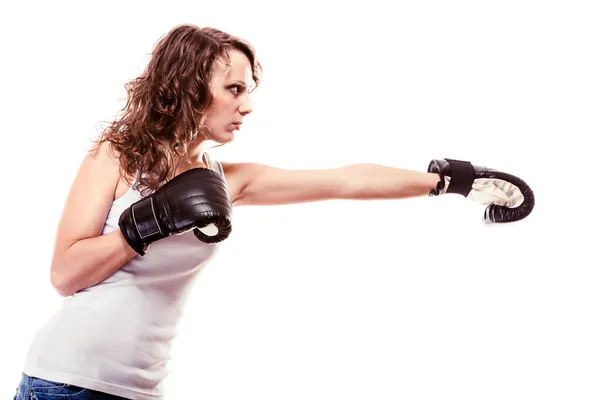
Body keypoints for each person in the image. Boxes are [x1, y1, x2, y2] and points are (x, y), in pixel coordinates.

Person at [13, 24, 534, 400]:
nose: (247, 105)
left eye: (248, 90)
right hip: (67, 380)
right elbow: (64, 273)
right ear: (189, 87)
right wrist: (142, 225)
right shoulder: (117, 156)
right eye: (233, 89)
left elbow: (346, 180)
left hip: (142, 388)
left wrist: (455, 182)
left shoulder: (228, 181)